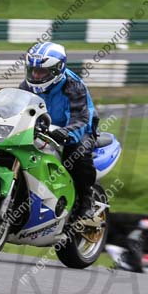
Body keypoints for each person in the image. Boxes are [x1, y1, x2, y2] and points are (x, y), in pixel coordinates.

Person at [20, 42, 99, 222]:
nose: (36, 75)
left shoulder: (73, 85)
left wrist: (65, 133)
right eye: (33, 70)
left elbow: (81, 118)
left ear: (57, 70)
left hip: (78, 129)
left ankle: (87, 201)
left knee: (76, 154)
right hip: (42, 129)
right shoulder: (26, 85)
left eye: (42, 72)